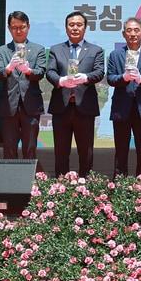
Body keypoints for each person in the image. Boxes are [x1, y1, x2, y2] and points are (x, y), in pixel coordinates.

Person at [45, 11, 105, 176]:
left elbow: (99, 72)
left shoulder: (96, 50)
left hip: (85, 108)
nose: (75, 28)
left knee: (86, 153)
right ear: (66, 28)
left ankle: (85, 187)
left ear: (85, 28)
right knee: (61, 152)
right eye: (71, 25)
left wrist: (86, 77)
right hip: (61, 108)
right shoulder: (56, 50)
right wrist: (60, 81)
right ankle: (60, 187)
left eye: (79, 25)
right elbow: (50, 71)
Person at [107, 17, 141, 177]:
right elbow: (110, 78)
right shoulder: (116, 54)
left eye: (136, 30)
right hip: (121, 108)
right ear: (123, 34)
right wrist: (123, 78)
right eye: (129, 31)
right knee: (121, 149)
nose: (132, 34)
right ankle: (119, 185)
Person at [0, 11, 48, 161]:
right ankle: (10, 182)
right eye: (14, 27)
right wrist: (9, 68)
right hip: (9, 106)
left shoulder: (38, 49)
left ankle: (30, 183)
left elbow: (41, 72)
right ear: (9, 28)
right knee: (9, 149)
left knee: (30, 148)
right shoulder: (2, 50)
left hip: (30, 106)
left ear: (28, 27)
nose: (18, 31)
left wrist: (29, 71)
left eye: (22, 27)